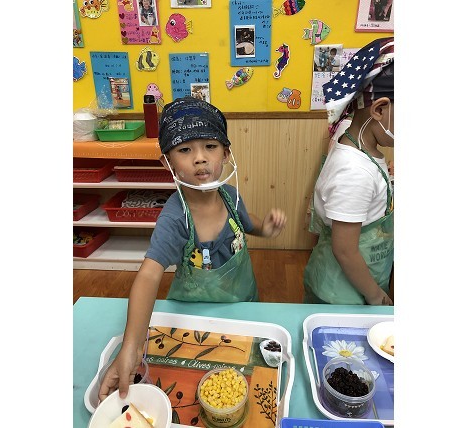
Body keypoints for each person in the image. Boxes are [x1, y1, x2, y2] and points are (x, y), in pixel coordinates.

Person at [98, 97, 287, 402]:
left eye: (210, 146)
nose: (200, 158)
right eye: (185, 150)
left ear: (226, 153)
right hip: (193, 318)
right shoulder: (176, 219)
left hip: (243, 305)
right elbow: (149, 275)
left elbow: (248, 224)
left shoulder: (231, 196)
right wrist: (131, 346)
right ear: (167, 162)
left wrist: (265, 228)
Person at [303, 37, 394, 305]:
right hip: (341, 292)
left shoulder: (355, 141)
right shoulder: (354, 172)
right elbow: (344, 250)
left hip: (359, 279)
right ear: (379, 109)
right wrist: (375, 295)